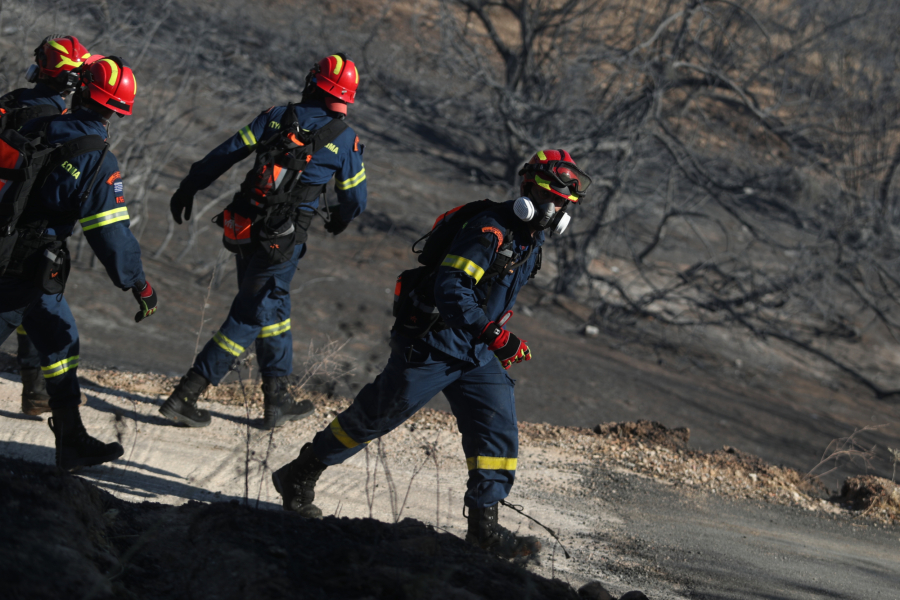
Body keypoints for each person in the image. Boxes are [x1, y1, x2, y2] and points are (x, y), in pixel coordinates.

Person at [271, 149, 592, 558]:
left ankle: (484, 529)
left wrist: (492, 336)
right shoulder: (489, 228)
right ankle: (300, 473)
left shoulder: (532, 237)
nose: (558, 209)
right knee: (377, 415)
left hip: (474, 350)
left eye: (565, 204)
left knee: (496, 428)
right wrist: (494, 333)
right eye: (553, 199)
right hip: (432, 342)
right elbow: (451, 287)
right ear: (528, 192)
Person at [161, 54, 367, 430]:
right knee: (250, 313)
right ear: (344, 99)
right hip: (282, 243)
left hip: (243, 227)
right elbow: (355, 200)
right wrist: (339, 220)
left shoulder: (275, 116)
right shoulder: (346, 140)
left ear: (312, 83)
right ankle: (185, 395)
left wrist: (189, 185)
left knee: (273, 307)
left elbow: (225, 153)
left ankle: (277, 399)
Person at [0, 56, 158, 471]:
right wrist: (138, 284)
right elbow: (111, 235)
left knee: (61, 338)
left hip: (21, 262)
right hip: (23, 268)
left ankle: (71, 439)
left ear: (82, 89)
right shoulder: (97, 158)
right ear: (119, 109)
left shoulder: (37, 124)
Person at [0, 34, 92, 415]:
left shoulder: (10, 104)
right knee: (34, 305)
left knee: (34, 307)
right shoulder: (56, 123)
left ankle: (39, 393)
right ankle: (45, 396)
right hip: (23, 235)